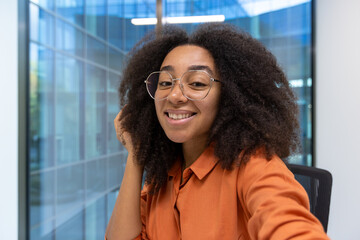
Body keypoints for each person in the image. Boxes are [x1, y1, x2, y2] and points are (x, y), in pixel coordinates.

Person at [105, 23, 329, 240]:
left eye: (197, 84)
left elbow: (289, 224)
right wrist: (136, 154)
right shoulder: (164, 175)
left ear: (230, 97)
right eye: (165, 83)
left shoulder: (254, 165)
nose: (174, 96)